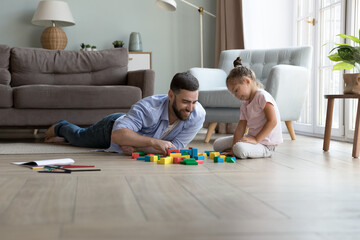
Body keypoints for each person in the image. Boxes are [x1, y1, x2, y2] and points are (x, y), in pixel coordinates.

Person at [44, 72, 206, 156]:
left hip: (131, 132)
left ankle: (61, 133)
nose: (190, 108)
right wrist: (154, 143)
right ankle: (60, 127)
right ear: (171, 95)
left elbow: (175, 148)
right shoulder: (149, 107)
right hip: (112, 127)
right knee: (79, 137)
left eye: (194, 102)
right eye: (185, 102)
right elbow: (118, 136)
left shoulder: (198, 115)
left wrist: (138, 148)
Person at [213, 57, 283, 159]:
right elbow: (241, 127)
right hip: (252, 140)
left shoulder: (262, 96)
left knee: (239, 149)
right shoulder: (245, 104)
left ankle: (251, 150)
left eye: (236, 90)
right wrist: (233, 148)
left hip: (266, 144)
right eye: (233, 94)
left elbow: (272, 121)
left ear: (246, 81)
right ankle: (239, 149)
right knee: (217, 144)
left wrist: (256, 139)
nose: (236, 96)